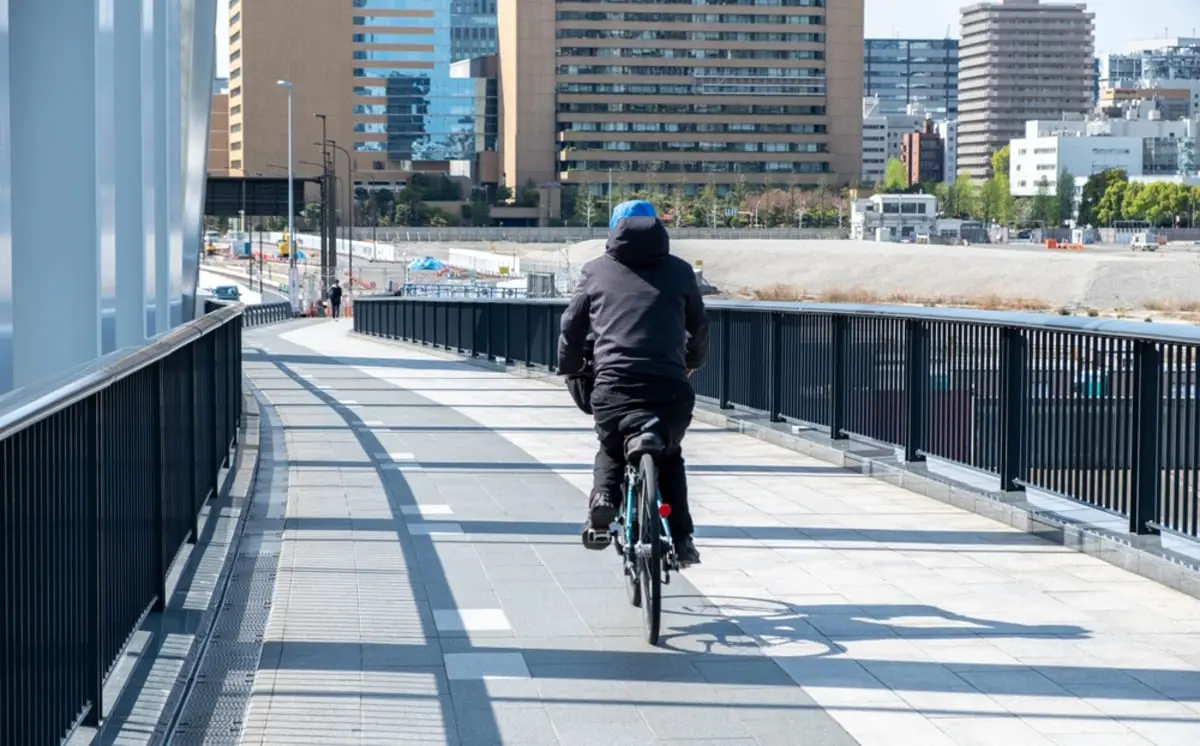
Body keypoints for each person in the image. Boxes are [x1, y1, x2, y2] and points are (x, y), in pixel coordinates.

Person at [558, 199, 709, 567]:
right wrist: (690, 363)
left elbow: (571, 328)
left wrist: (572, 367)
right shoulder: (680, 271)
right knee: (670, 457)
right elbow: (699, 328)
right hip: (670, 389)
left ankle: (603, 499)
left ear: (614, 231)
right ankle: (683, 539)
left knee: (611, 447)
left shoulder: (595, 271)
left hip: (614, 387)